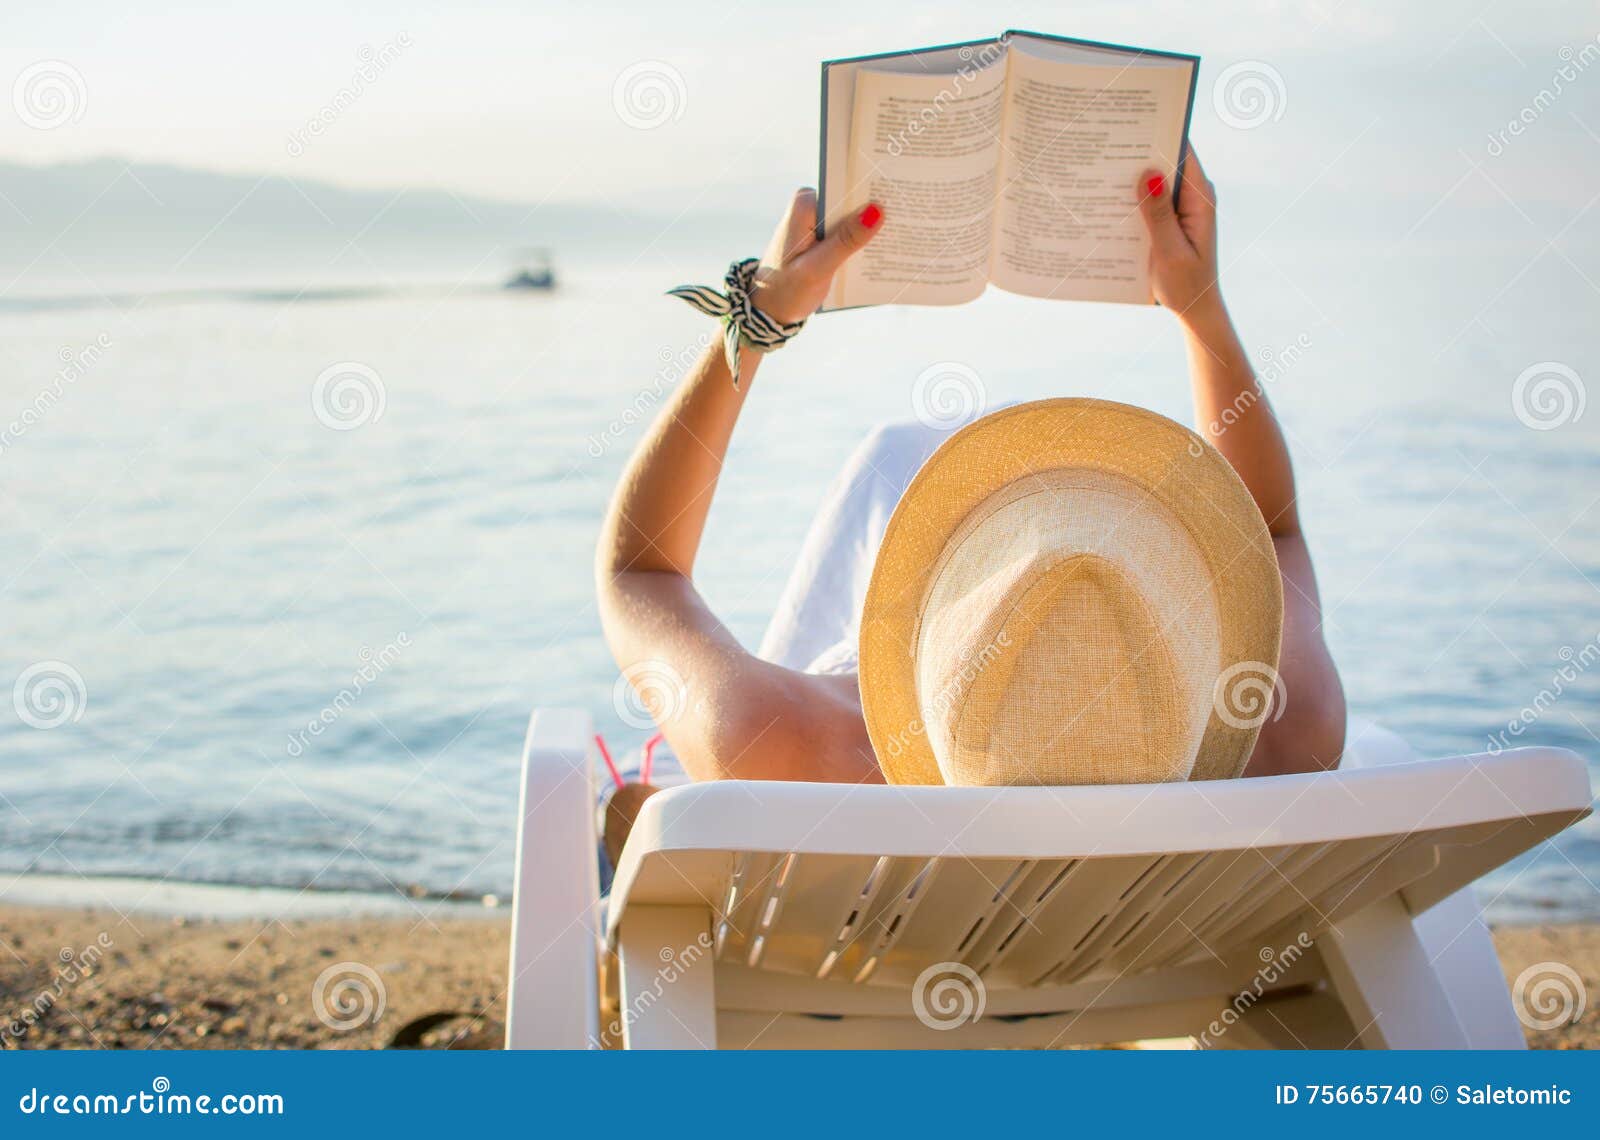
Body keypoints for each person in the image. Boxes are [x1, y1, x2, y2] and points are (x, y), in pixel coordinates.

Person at [595, 152, 1346, 785]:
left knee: (896, 457)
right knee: (907, 453)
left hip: (861, 870)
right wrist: (1201, 307)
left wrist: (757, 321)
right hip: (1135, 925)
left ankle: (639, 806)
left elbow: (639, 572)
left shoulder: (794, 745)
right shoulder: (1286, 739)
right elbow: (1271, 529)